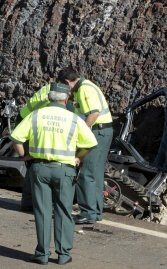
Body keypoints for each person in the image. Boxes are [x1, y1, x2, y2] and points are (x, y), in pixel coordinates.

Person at [10, 85, 98, 265]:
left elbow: (16, 138)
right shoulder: (73, 119)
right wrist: (77, 158)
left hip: (39, 168)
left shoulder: (35, 115)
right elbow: (90, 144)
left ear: (49, 98)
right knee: (63, 210)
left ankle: (42, 254)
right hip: (64, 170)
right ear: (66, 100)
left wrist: (24, 156)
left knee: (42, 211)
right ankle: (63, 254)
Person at [60, 67, 113, 224]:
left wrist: (82, 132)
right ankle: (95, 211)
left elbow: (94, 113)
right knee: (95, 173)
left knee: (86, 173)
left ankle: (88, 213)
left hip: (97, 132)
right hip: (104, 132)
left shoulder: (83, 89)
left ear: (66, 82)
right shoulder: (88, 85)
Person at [18, 82, 72, 212]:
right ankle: (39, 204)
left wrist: (24, 156)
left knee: (33, 165)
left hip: (27, 120)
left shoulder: (48, 90)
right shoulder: (57, 98)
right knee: (39, 164)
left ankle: (28, 203)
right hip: (35, 125)